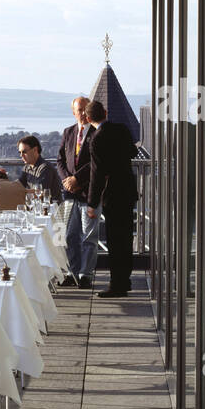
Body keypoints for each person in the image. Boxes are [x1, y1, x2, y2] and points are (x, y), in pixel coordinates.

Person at [86, 99, 138, 298]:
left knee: (115, 241)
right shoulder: (122, 129)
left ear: (88, 118)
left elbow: (96, 175)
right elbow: (133, 151)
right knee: (126, 239)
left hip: (112, 193)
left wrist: (92, 203)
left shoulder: (96, 139)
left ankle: (117, 284)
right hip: (127, 190)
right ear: (106, 113)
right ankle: (125, 280)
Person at [56, 96, 100, 287]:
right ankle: (72, 273)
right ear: (73, 112)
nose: (81, 113)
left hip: (88, 193)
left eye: (84, 109)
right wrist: (67, 180)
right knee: (68, 236)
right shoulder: (68, 132)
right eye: (78, 109)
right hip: (69, 194)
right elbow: (60, 160)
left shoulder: (97, 133)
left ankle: (85, 275)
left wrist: (77, 180)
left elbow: (96, 162)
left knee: (89, 237)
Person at [17, 134, 63, 202]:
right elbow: (18, 185)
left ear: (35, 150)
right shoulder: (27, 168)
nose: (21, 155)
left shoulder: (46, 168)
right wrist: (2, 176)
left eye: (24, 152)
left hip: (51, 209)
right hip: (36, 207)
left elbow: (39, 193)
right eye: (19, 152)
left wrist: (18, 192)